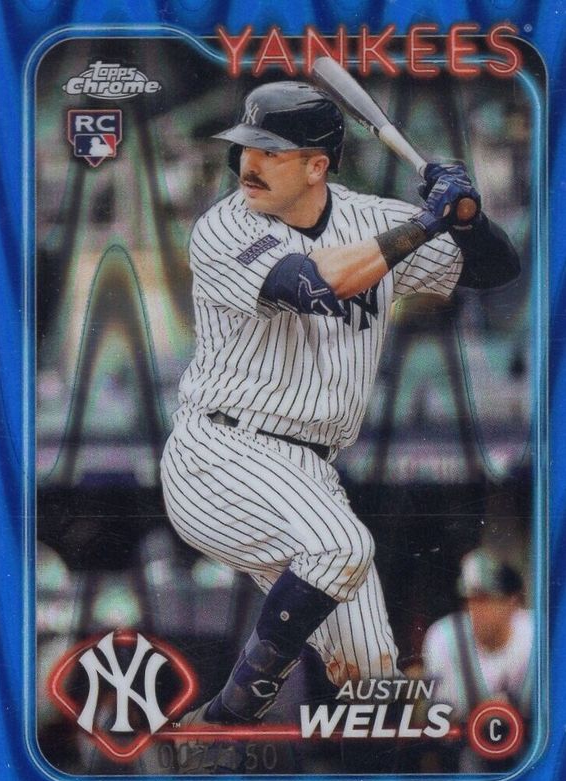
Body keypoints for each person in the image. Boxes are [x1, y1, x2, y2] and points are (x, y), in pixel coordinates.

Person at [160, 80, 520, 731]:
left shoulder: (370, 218)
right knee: (341, 545)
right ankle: (232, 708)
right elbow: (314, 282)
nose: (248, 164)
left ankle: (240, 746)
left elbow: (495, 269)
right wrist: (427, 222)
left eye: (270, 152)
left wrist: (468, 219)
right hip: (219, 453)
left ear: (316, 165)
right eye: (245, 148)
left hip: (310, 471)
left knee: (374, 677)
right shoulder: (224, 228)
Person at [422, 547, 533, 771]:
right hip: (471, 760)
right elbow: (441, 726)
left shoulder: (537, 634)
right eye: (470, 600)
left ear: (512, 602)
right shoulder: (444, 638)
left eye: (486, 599)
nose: (475, 609)